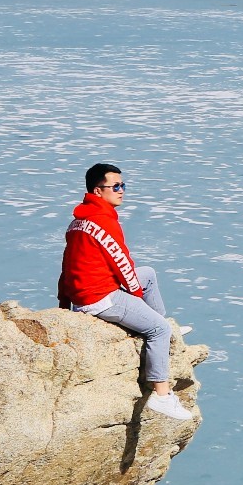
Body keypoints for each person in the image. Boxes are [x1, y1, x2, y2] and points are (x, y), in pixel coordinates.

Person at [58, 163, 191, 421]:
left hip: (88, 290)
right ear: (98, 191)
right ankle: (162, 396)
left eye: (123, 185)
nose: (122, 191)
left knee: (149, 273)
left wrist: (65, 304)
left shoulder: (78, 222)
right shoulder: (103, 222)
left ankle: (166, 324)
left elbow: (67, 265)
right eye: (116, 186)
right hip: (100, 297)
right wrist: (135, 301)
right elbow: (122, 263)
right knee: (157, 330)